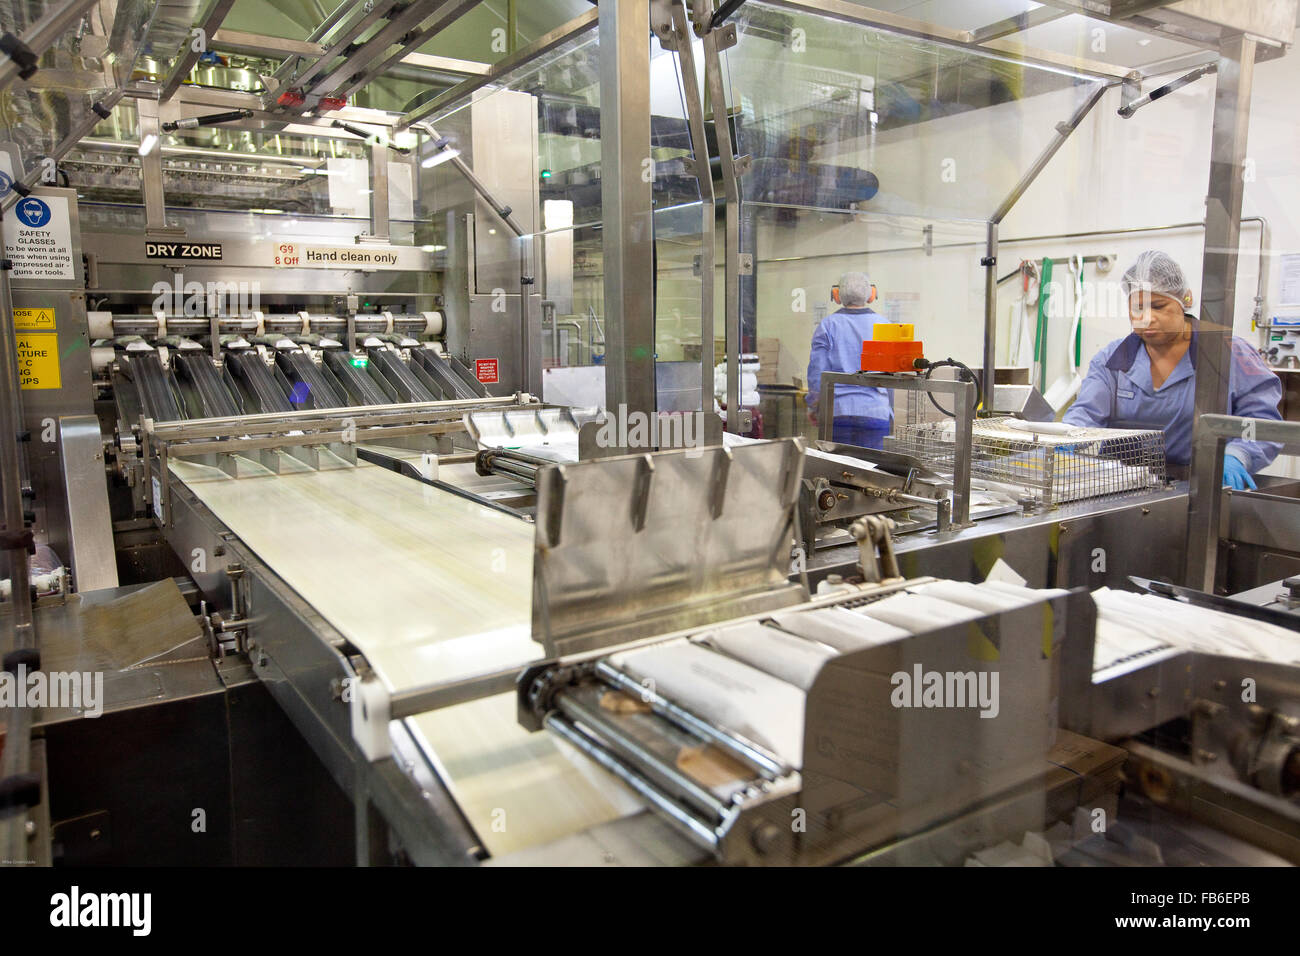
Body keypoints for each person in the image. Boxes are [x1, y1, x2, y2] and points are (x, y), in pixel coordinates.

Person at [1062, 250, 1282, 488]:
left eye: (1158, 306)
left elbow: (1262, 421)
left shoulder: (1228, 353)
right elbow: (1084, 415)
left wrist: (1239, 455)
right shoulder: (1113, 359)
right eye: (1137, 308)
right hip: (1121, 490)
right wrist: (1062, 443)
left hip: (1201, 489)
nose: (1146, 318)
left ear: (1185, 301)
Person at [806, 271, 894, 449]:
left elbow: (817, 375)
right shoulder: (885, 327)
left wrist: (815, 407)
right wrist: (890, 411)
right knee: (870, 473)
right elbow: (892, 378)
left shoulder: (827, 326)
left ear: (836, 295)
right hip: (876, 415)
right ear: (871, 295)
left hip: (837, 415)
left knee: (838, 472)